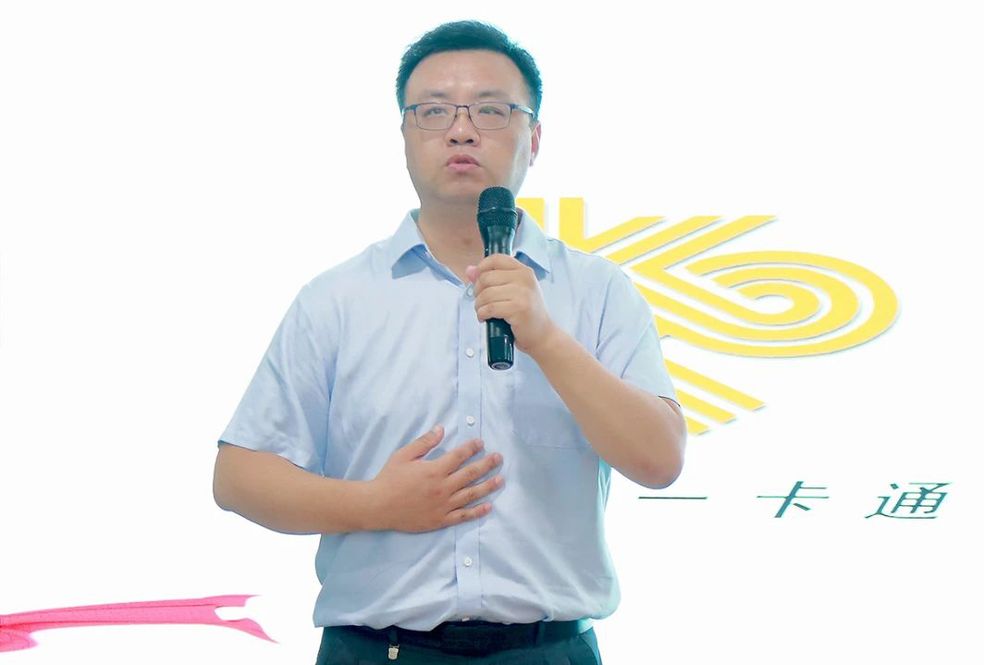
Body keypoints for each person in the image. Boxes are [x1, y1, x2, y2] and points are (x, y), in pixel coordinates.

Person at [213, 20, 686, 665]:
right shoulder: (338, 298)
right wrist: (374, 504)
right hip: (376, 649)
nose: (461, 131)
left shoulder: (600, 291)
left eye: (491, 110)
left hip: (547, 649)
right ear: (405, 137)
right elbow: (239, 477)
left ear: (534, 138)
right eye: (434, 111)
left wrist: (546, 338)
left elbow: (659, 460)